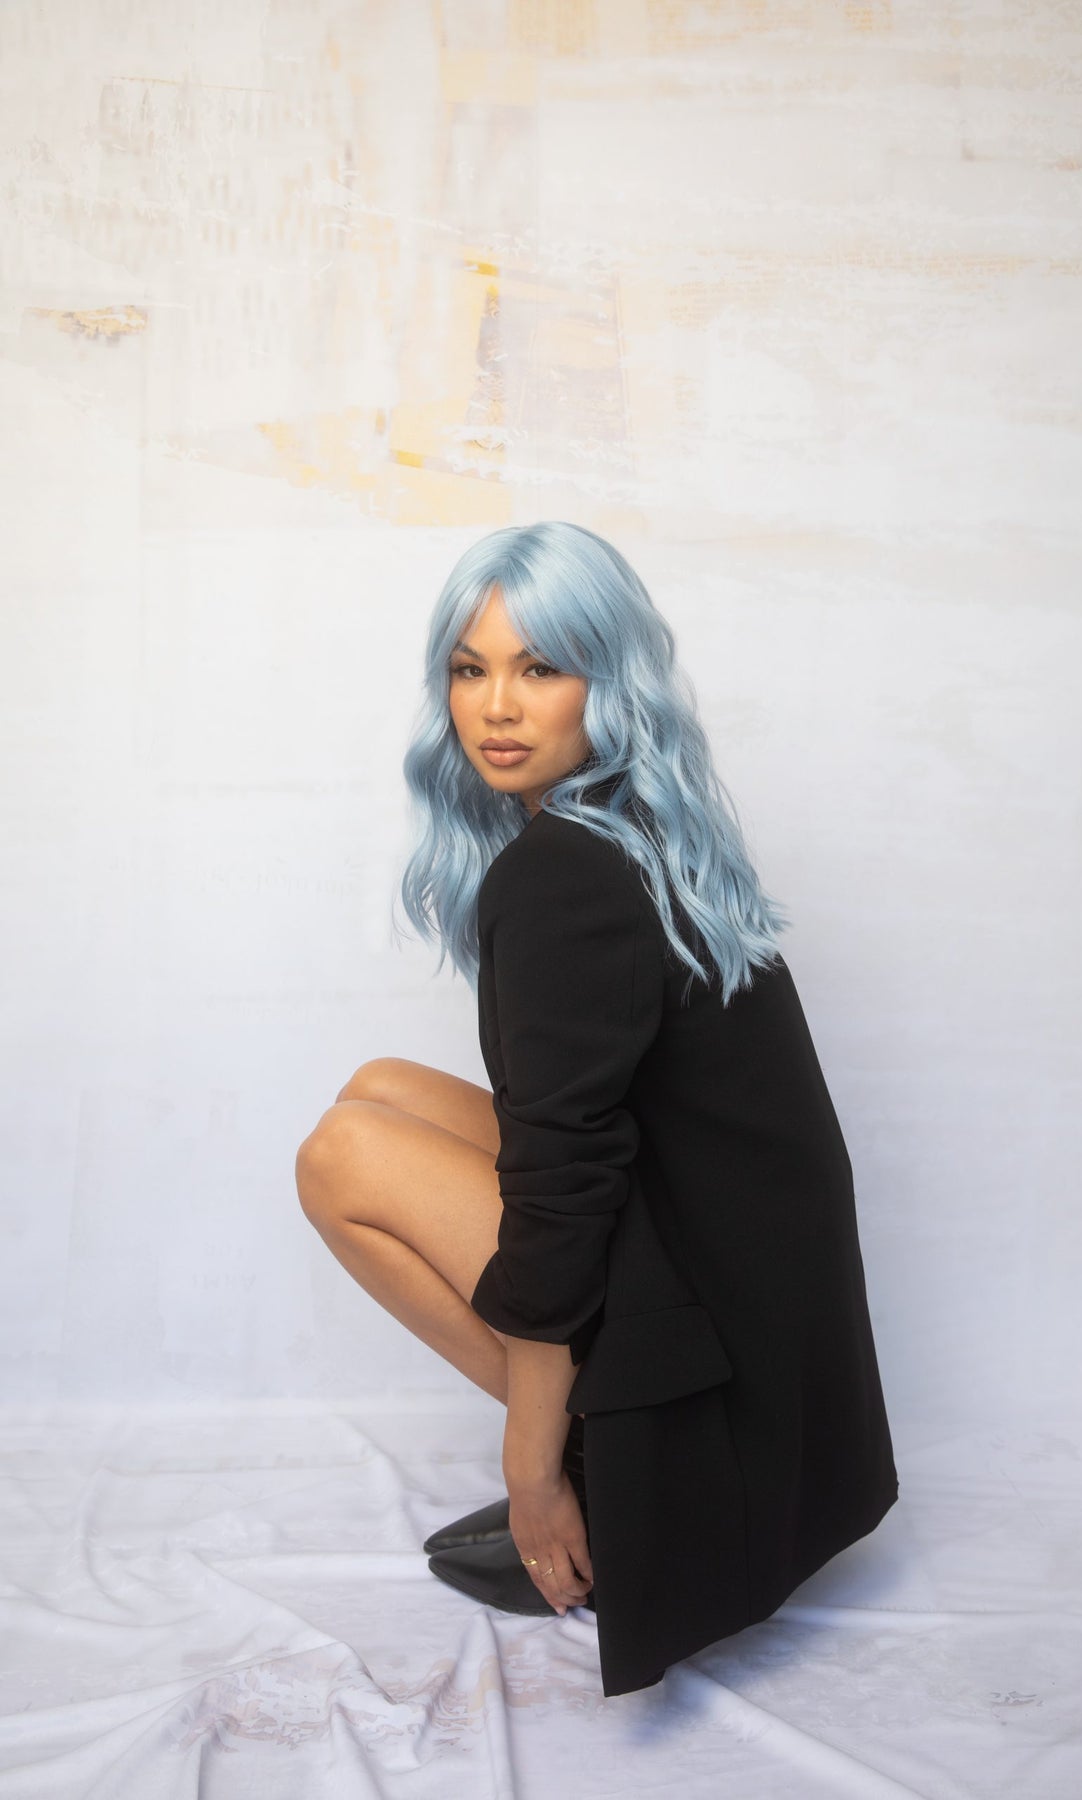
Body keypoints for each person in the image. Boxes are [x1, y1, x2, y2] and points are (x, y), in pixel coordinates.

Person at [295, 521, 899, 1698]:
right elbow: (579, 1133)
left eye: (540, 668)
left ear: (606, 682)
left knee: (343, 1156)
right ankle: (596, 1447)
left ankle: (599, 1478)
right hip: (756, 1331)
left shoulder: (563, 872)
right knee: (382, 1089)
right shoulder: (631, 827)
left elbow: (563, 1192)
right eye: (470, 669)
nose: (497, 707)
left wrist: (529, 1472)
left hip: (715, 1383)